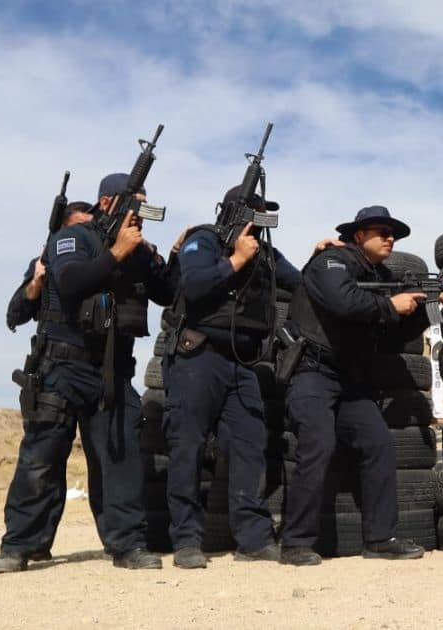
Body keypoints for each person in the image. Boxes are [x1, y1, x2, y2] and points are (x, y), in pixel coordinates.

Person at [0, 174, 178, 573]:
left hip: (111, 372)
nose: (142, 214)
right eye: (136, 204)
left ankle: (127, 545)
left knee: (121, 458)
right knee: (41, 458)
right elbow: (72, 282)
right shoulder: (72, 239)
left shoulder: (137, 248)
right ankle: (21, 546)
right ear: (109, 202)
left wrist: (171, 254)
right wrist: (116, 254)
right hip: (60, 367)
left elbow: (171, 292)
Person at [278, 206, 443, 566]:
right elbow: (344, 302)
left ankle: (380, 539)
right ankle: (296, 542)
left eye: (393, 233)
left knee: (379, 444)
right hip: (311, 371)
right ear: (359, 235)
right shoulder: (330, 261)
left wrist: (431, 304)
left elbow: (391, 334)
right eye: (382, 231)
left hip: (350, 379)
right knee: (318, 444)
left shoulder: (378, 275)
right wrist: (391, 303)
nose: (390, 238)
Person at [162, 186, 302, 569]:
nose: (260, 218)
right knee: (187, 447)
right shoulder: (204, 239)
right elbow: (192, 285)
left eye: (264, 212)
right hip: (198, 356)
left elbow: (301, 283)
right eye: (254, 210)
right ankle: (187, 541)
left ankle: (253, 540)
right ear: (234, 212)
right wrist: (236, 261)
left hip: (241, 364)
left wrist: (330, 257)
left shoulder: (266, 254)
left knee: (249, 445)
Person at [7, 202, 96, 332]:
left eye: (88, 228)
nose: (80, 234)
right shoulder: (43, 263)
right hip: (55, 346)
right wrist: (36, 282)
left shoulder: (104, 260)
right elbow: (15, 316)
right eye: (76, 228)